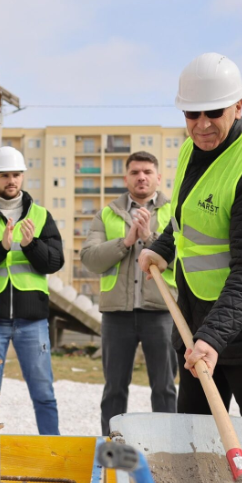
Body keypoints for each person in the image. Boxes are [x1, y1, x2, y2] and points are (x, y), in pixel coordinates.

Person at [138, 53, 242, 419]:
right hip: (199, 320)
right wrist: (162, 248)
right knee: (194, 431)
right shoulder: (189, 149)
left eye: (213, 112)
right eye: (192, 114)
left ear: (238, 105)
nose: (202, 125)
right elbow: (186, 217)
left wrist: (212, 337)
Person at [0, 146, 64, 435]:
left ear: (23, 177)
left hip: (33, 321)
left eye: (16, 175)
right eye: (5, 175)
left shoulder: (42, 216)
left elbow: (55, 262)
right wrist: (1, 248)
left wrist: (32, 244)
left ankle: (51, 446)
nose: (11, 181)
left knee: (43, 392)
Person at [80, 151, 177, 435]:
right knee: (114, 390)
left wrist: (150, 239)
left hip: (160, 312)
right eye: (135, 172)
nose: (141, 177)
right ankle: (112, 450)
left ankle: (166, 451)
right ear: (126, 178)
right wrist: (126, 241)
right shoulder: (107, 213)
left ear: (159, 177)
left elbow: (183, 257)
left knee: (164, 387)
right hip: (116, 316)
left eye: (147, 171)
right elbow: (90, 258)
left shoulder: (173, 212)